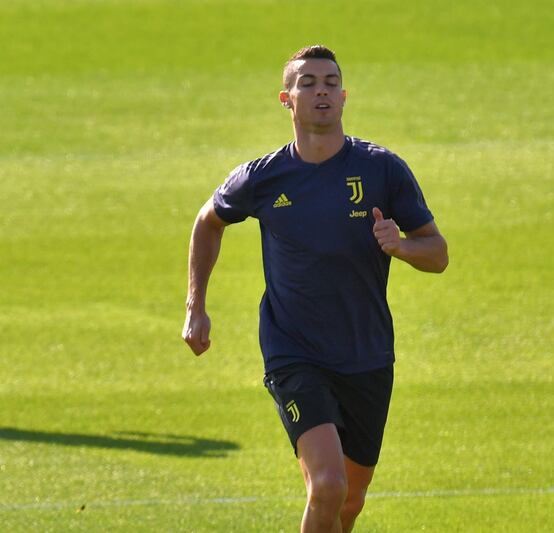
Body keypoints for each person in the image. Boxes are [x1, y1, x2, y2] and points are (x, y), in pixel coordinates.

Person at [181, 45, 448, 532]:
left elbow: (438, 254)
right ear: (287, 99)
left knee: (348, 503)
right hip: (294, 352)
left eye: (329, 83)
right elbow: (208, 222)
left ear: (343, 97)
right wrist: (195, 306)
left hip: (366, 353)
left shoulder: (382, 169)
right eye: (308, 83)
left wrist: (401, 246)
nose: (320, 91)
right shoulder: (262, 177)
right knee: (326, 485)